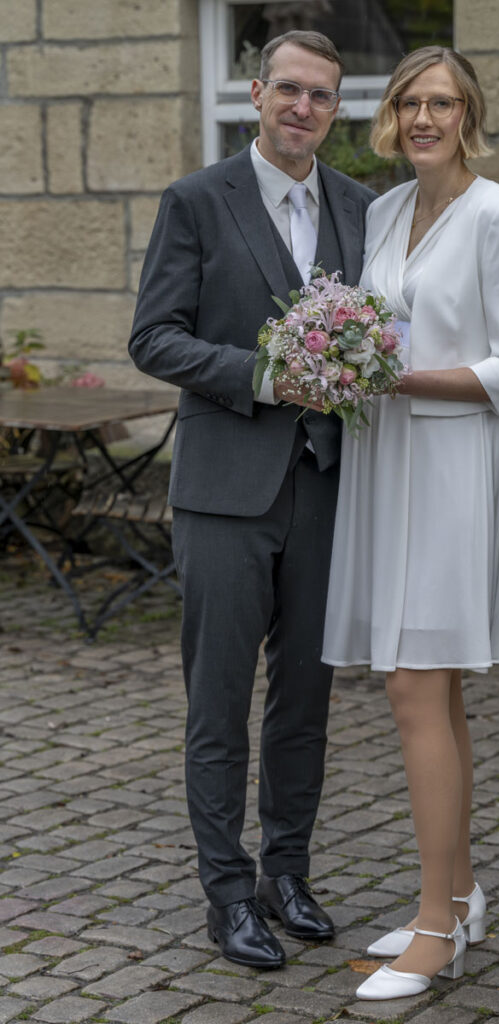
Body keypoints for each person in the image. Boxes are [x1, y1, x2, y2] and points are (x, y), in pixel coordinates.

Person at [129, 30, 375, 970]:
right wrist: (267, 375)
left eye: (321, 95)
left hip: (325, 483)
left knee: (305, 700)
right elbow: (154, 338)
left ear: (334, 109)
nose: (302, 107)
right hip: (226, 490)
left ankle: (287, 874)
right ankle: (227, 895)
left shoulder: (360, 207)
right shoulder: (197, 199)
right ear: (255, 94)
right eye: (288, 89)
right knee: (219, 702)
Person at [322, 46, 499, 999]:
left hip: (452, 466)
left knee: (414, 685)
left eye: (441, 103)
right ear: (392, 116)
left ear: (467, 116)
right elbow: (374, 330)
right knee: (433, 690)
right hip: (386, 463)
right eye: (409, 102)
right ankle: (457, 895)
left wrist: (399, 378)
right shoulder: (381, 213)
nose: (423, 118)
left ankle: (432, 929)